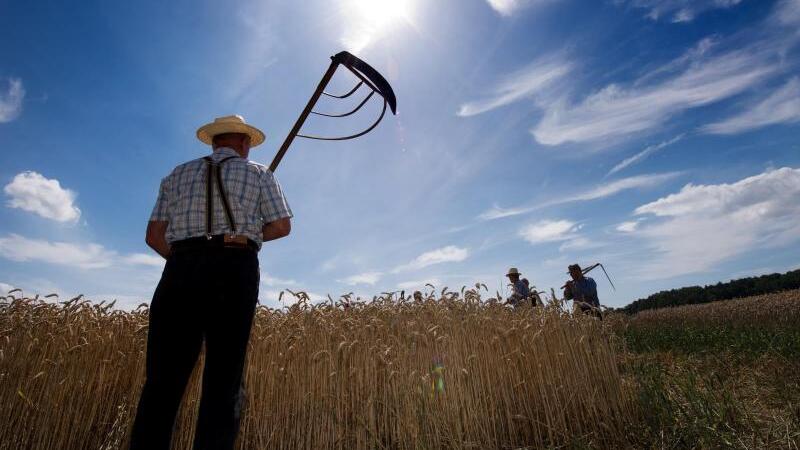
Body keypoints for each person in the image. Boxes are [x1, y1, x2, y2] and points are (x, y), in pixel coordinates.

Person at [129, 115, 293, 450]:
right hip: (234, 268)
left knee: (163, 380)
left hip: (180, 269)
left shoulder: (177, 174)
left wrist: (186, 260)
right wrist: (241, 235)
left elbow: (154, 236)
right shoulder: (259, 173)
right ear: (244, 144)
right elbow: (280, 227)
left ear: (215, 142)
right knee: (224, 379)